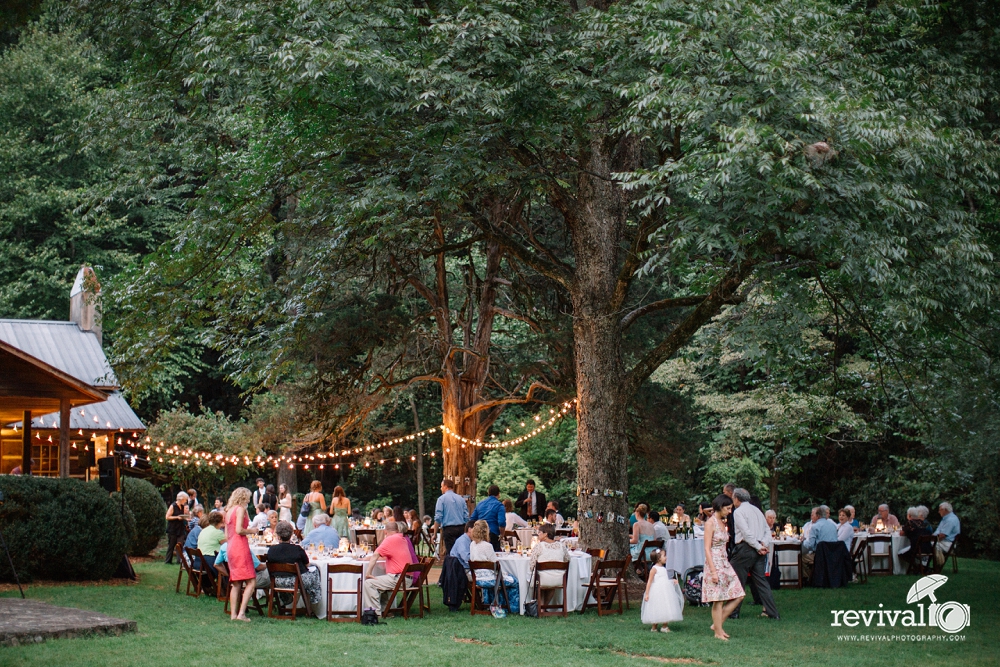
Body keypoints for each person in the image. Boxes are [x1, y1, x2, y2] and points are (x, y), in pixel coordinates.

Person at [730, 488, 779, 620]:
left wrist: (758, 546)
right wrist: (763, 544)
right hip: (758, 546)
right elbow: (767, 531)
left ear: (737, 499)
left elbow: (745, 533)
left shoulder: (738, 511)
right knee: (761, 581)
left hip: (746, 548)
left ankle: (733, 612)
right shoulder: (757, 510)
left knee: (737, 579)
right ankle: (773, 612)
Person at [702, 494, 745, 641]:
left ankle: (717, 624)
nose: (730, 511)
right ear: (720, 507)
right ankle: (718, 632)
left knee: (739, 594)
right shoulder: (710, 523)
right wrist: (713, 571)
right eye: (728, 508)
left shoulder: (722, 521)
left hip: (724, 562)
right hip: (714, 562)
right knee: (718, 599)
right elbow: (707, 549)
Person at [362, 522, 417, 616]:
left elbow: (375, 555)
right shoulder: (402, 538)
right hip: (406, 578)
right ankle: (385, 611)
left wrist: (368, 573)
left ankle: (374, 614)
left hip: (399, 579)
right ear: (397, 530)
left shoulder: (390, 539)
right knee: (382, 581)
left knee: (369, 583)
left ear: (385, 532)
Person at [267, 520, 322, 608]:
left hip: (277, 582)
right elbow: (307, 565)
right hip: (296, 581)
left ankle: (286, 599)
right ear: (291, 534)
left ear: (277, 535)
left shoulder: (271, 550)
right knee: (315, 570)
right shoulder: (297, 549)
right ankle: (315, 599)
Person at [224, 488, 258, 621]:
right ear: (244, 497)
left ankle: (233, 614)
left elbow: (227, 534)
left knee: (236, 583)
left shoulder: (228, 511)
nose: (249, 500)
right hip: (240, 546)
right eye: (248, 497)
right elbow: (239, 530)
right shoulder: (240, 509)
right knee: (251, 581)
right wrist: (252, 531)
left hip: (231, 546)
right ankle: (242, 613)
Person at [641, 548, 684, 632]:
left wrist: (672, 581)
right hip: (657, 591)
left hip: (665, 591)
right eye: (664, 556)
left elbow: (665, 580)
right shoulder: (654, 569)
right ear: (658, 558)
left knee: (666, 606)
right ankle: (654, 627)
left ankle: (664, 626)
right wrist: (647, 593)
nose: (666, 557)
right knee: (657, 607)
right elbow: (649, 581)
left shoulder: (664, 569)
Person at [529, 523, 569, 607]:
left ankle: (540, 607)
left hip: (542, 579)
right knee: (551, 582)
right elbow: (567, 560)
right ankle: (544, 607)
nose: (538, 534)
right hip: (559, 579)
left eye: (539, 532)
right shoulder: (561, 546)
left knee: (537, 577)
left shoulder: (539, 546)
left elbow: (532, 565)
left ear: (545, 534)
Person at [802, 505, 839, 579]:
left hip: (820, 556)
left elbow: (811, 546)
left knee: (801, 556)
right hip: (833, 555)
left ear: (818, 516)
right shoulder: (833, 526)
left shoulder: (815, 527)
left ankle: (809, 578)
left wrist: (804, 541)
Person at [434, 478, 470, 555]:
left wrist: (434, 534)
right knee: (460, 551)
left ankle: (451, 566)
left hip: (449, 529)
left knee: (451, 552)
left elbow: (438, 517)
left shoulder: (441, 499)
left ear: (445, 486)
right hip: (461, 528)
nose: (441, 489)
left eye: (441, 486)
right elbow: (466, 517)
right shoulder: (461, 499)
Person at [470, 484, 506, 551]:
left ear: (488, 493)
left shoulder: (480, 504)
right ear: (498, 494)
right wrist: (501, 535)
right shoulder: (499, 505)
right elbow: (501, 522)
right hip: (493, 534)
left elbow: (472, 519)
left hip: (480, 534)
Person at [164, 491, 190, 565]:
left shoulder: (182, 506)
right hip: (173, 528)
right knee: (171, 545)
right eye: (185, 499)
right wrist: (177, 517)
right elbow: (167, 517)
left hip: (180, 528)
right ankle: (168, 561)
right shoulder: (173, 506)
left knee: (180, 545)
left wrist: (186, 518)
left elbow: (183, 515)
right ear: (181, 499)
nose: (186, 501)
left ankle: (179, 561)